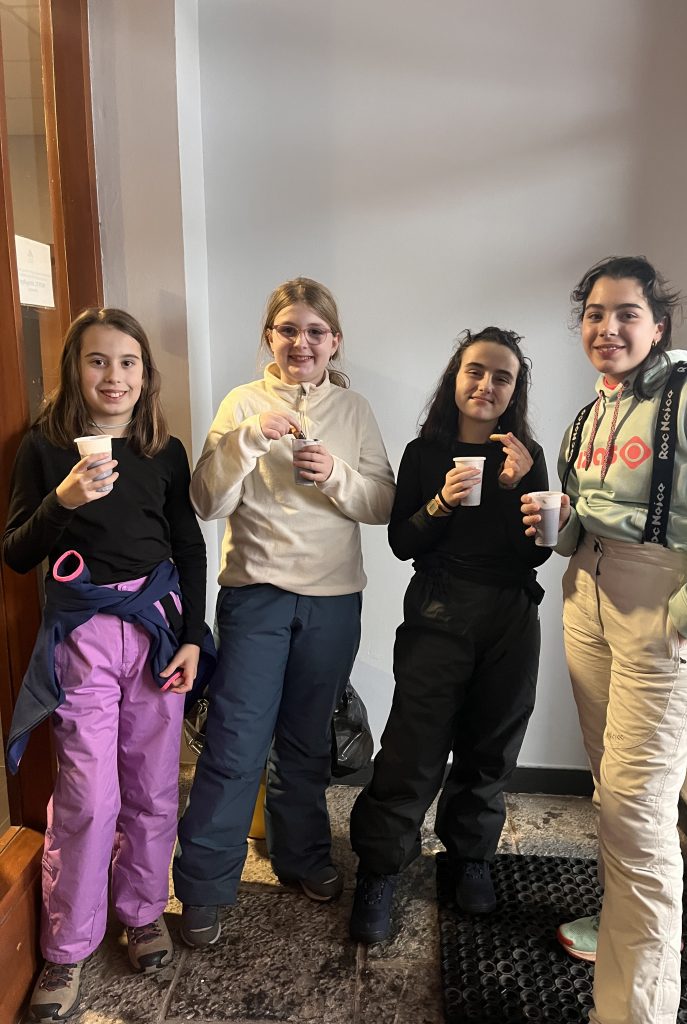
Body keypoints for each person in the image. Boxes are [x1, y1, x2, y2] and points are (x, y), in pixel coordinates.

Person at [522, 256, 687, 1024]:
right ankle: (622, 927)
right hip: (588, 600)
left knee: (639, 809)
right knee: (615, 789)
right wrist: (561, 524)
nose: (607, 327)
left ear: (658, 325)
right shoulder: (590, 415)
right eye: (594, 314)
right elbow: (583, 526)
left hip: (660, 609)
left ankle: (637, 1009)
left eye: (626, 313)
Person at [173, 277, 395, 947]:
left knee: (305, 742)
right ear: (269, 337)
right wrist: (246, 439)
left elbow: (383, 503)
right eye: (288, 330)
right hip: (256, 597)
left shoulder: (354, 410)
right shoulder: (241, 403)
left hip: (334, 601)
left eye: (315, 332)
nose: (302, 342)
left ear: (335, 341)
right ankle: (204, 885)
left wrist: (336, 475)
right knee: (235, 742)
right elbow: (206, 502)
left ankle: (301, 857)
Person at [3, 308, 210, 1022]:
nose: (114, 376)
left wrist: (192, 635)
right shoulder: (43, 449)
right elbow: (17, 553)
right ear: (74, 370)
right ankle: (67, 945)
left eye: (128, 362)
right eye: (98, 361)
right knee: (88, 795)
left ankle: (143, 911)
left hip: (156, 631)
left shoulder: (164, 451)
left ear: (145, 374)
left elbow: (188, 546)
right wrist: (63, 500)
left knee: (153, 784)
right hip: (83, 633)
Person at [349, 326, 550, 944]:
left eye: (501, 377)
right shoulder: (424, 452)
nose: (486, 385)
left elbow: (536, 555)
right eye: (475, 371)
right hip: (439, 607)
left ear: (514, 391)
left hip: (510, 613)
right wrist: (440, 501)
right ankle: (381, 868)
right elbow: (401, 542)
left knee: (492, 744)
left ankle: (470, 856)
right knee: (413, 745)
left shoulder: (527, 456)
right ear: (455, 380)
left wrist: (518, 487)